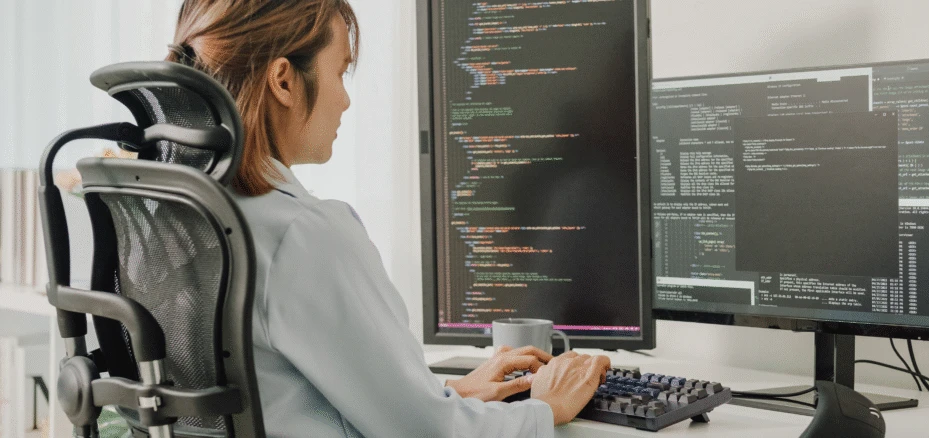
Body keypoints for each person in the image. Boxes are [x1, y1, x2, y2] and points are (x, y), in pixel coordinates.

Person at [165, 1, 611, 436]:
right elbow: (427, 435)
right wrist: (545, 408)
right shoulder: (303, 234)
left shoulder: (168, 217)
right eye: (340, 72)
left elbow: (280, 398)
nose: (344, 101)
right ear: (283, 80)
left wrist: (446, 395)